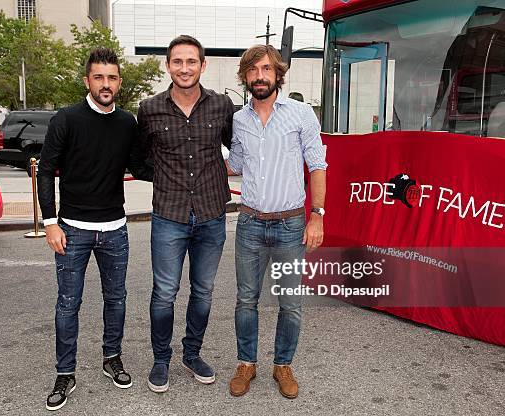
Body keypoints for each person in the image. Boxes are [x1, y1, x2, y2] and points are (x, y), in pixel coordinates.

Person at [38, 48, 152, 411]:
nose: (106, 84)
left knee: (116, 300)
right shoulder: (66, 119)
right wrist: (50, 222)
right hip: (72, 229)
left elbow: (141, 166)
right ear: (87, 80)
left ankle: (112, 358)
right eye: (99, 77)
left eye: (112, 78)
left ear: (119, 82)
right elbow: (45, 170)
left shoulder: (128, 123)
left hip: (115, 228)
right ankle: (64, 373)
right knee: (68, 304)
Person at [226, 45, 327, 399]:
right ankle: (246, 364)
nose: (259, 76)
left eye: (266, 69)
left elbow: (317, 166)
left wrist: (317, 215)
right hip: (250, 224)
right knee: (245, 300)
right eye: (253, 71)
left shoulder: (301, 115)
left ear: (277, 74)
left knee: (290, 302)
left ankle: (282, 365)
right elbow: (235, 164)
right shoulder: (239, 120)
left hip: (290, 226)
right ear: (245, 77)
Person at [137, 35, 234, 393]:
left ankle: (191, 353)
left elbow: (237, 146)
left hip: (211, 213)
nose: (184, 68)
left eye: (191, 61)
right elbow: (140, 158)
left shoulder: (222, 106)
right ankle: (161, 358)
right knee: (164, 292)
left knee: (204, 291)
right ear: (168, 66)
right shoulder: (149, 108)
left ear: (202, 65)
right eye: (177, 61)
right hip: (169, 214)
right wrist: (165, 178)